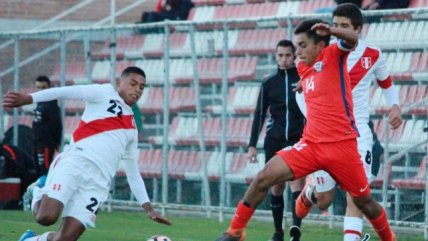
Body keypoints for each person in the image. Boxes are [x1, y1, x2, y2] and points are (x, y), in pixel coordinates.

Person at [214, 18, 396, 241]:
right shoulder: (302, 67)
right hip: (310, 145)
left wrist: (331, 30)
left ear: (320, 46)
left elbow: (353, 40)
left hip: (342, 147)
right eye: (296, 45)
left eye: (302, 45)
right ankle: (235, 232)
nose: (297, 52)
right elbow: (315, 81)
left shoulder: (333, 55)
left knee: (364, 202)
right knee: (263, 177)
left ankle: (389, 238)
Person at [3, 66, 172, 241]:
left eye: (142, 87)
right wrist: (29, 98)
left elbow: (133, 173)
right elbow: (65, 91)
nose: (137, 90)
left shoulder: (132, 129)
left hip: (97, 185)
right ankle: (38, 189)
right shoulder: (104, 92)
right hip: (76, 162)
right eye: (133, 84)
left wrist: (148, 208)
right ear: (119, 82)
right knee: (46, 218)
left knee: (65, 239)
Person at [294, 4, 402, 241]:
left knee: (357, 196)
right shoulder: (322, 53)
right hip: (326, 138)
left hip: (358, 135)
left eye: (344, 26)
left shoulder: (373, 54)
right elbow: (301, 92)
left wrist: (395, 107)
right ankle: (310, 191)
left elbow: (386, 83)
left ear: (357, 29)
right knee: (325, 199)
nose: (337, 30)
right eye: (335, 25)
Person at [247, 39, 305, 241]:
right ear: (275, 56)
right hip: (275, 140)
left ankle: (295, 232)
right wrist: (252, 145)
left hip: (298, 139)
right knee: (277, 186)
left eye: (288, 55)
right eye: (280, 55)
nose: (284, 59)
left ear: (294, 56)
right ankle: (278, 231)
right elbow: (260, 114)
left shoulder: (303, 79)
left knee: (297, 185)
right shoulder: (269, 82)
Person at [32, 75, 62, 177]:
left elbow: (57, 125)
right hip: (37, 143)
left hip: (45, 144)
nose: (40, 90)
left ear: (49, 87)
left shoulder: (52, 105)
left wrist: (56, 142)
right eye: (38, 87)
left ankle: (45, 191)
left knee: (44, 169)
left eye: (43, 87)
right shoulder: (39, 103)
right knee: (38, 169)